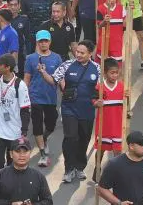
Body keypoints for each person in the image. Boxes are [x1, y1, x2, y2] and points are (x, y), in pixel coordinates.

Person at [41, 40, 100, 183]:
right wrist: (43, 72)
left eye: (82, 53)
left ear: (90, 54)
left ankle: (79, 167)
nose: (78, 54)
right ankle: (69, 169)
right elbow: (53, 80)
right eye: (77, 51)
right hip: (69, 108)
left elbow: (102, 89)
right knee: (71, 137)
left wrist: (99, 101)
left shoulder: (97, 68)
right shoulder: (67, 65)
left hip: (87, 110)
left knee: (84, 138)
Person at [23, 30, 62, 167]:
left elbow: (60, 77)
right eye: (41, 41)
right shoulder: (30, 58)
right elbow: (27, 78)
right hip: (35, 97)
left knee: (51, 123)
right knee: (37, 125)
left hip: (50, 97)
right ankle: (43, 154)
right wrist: (24, 97)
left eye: (46, 41)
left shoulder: (57, 58)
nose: (43, 43)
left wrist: (65, 91)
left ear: (50, 42)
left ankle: (44, 138)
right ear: (37, 42)